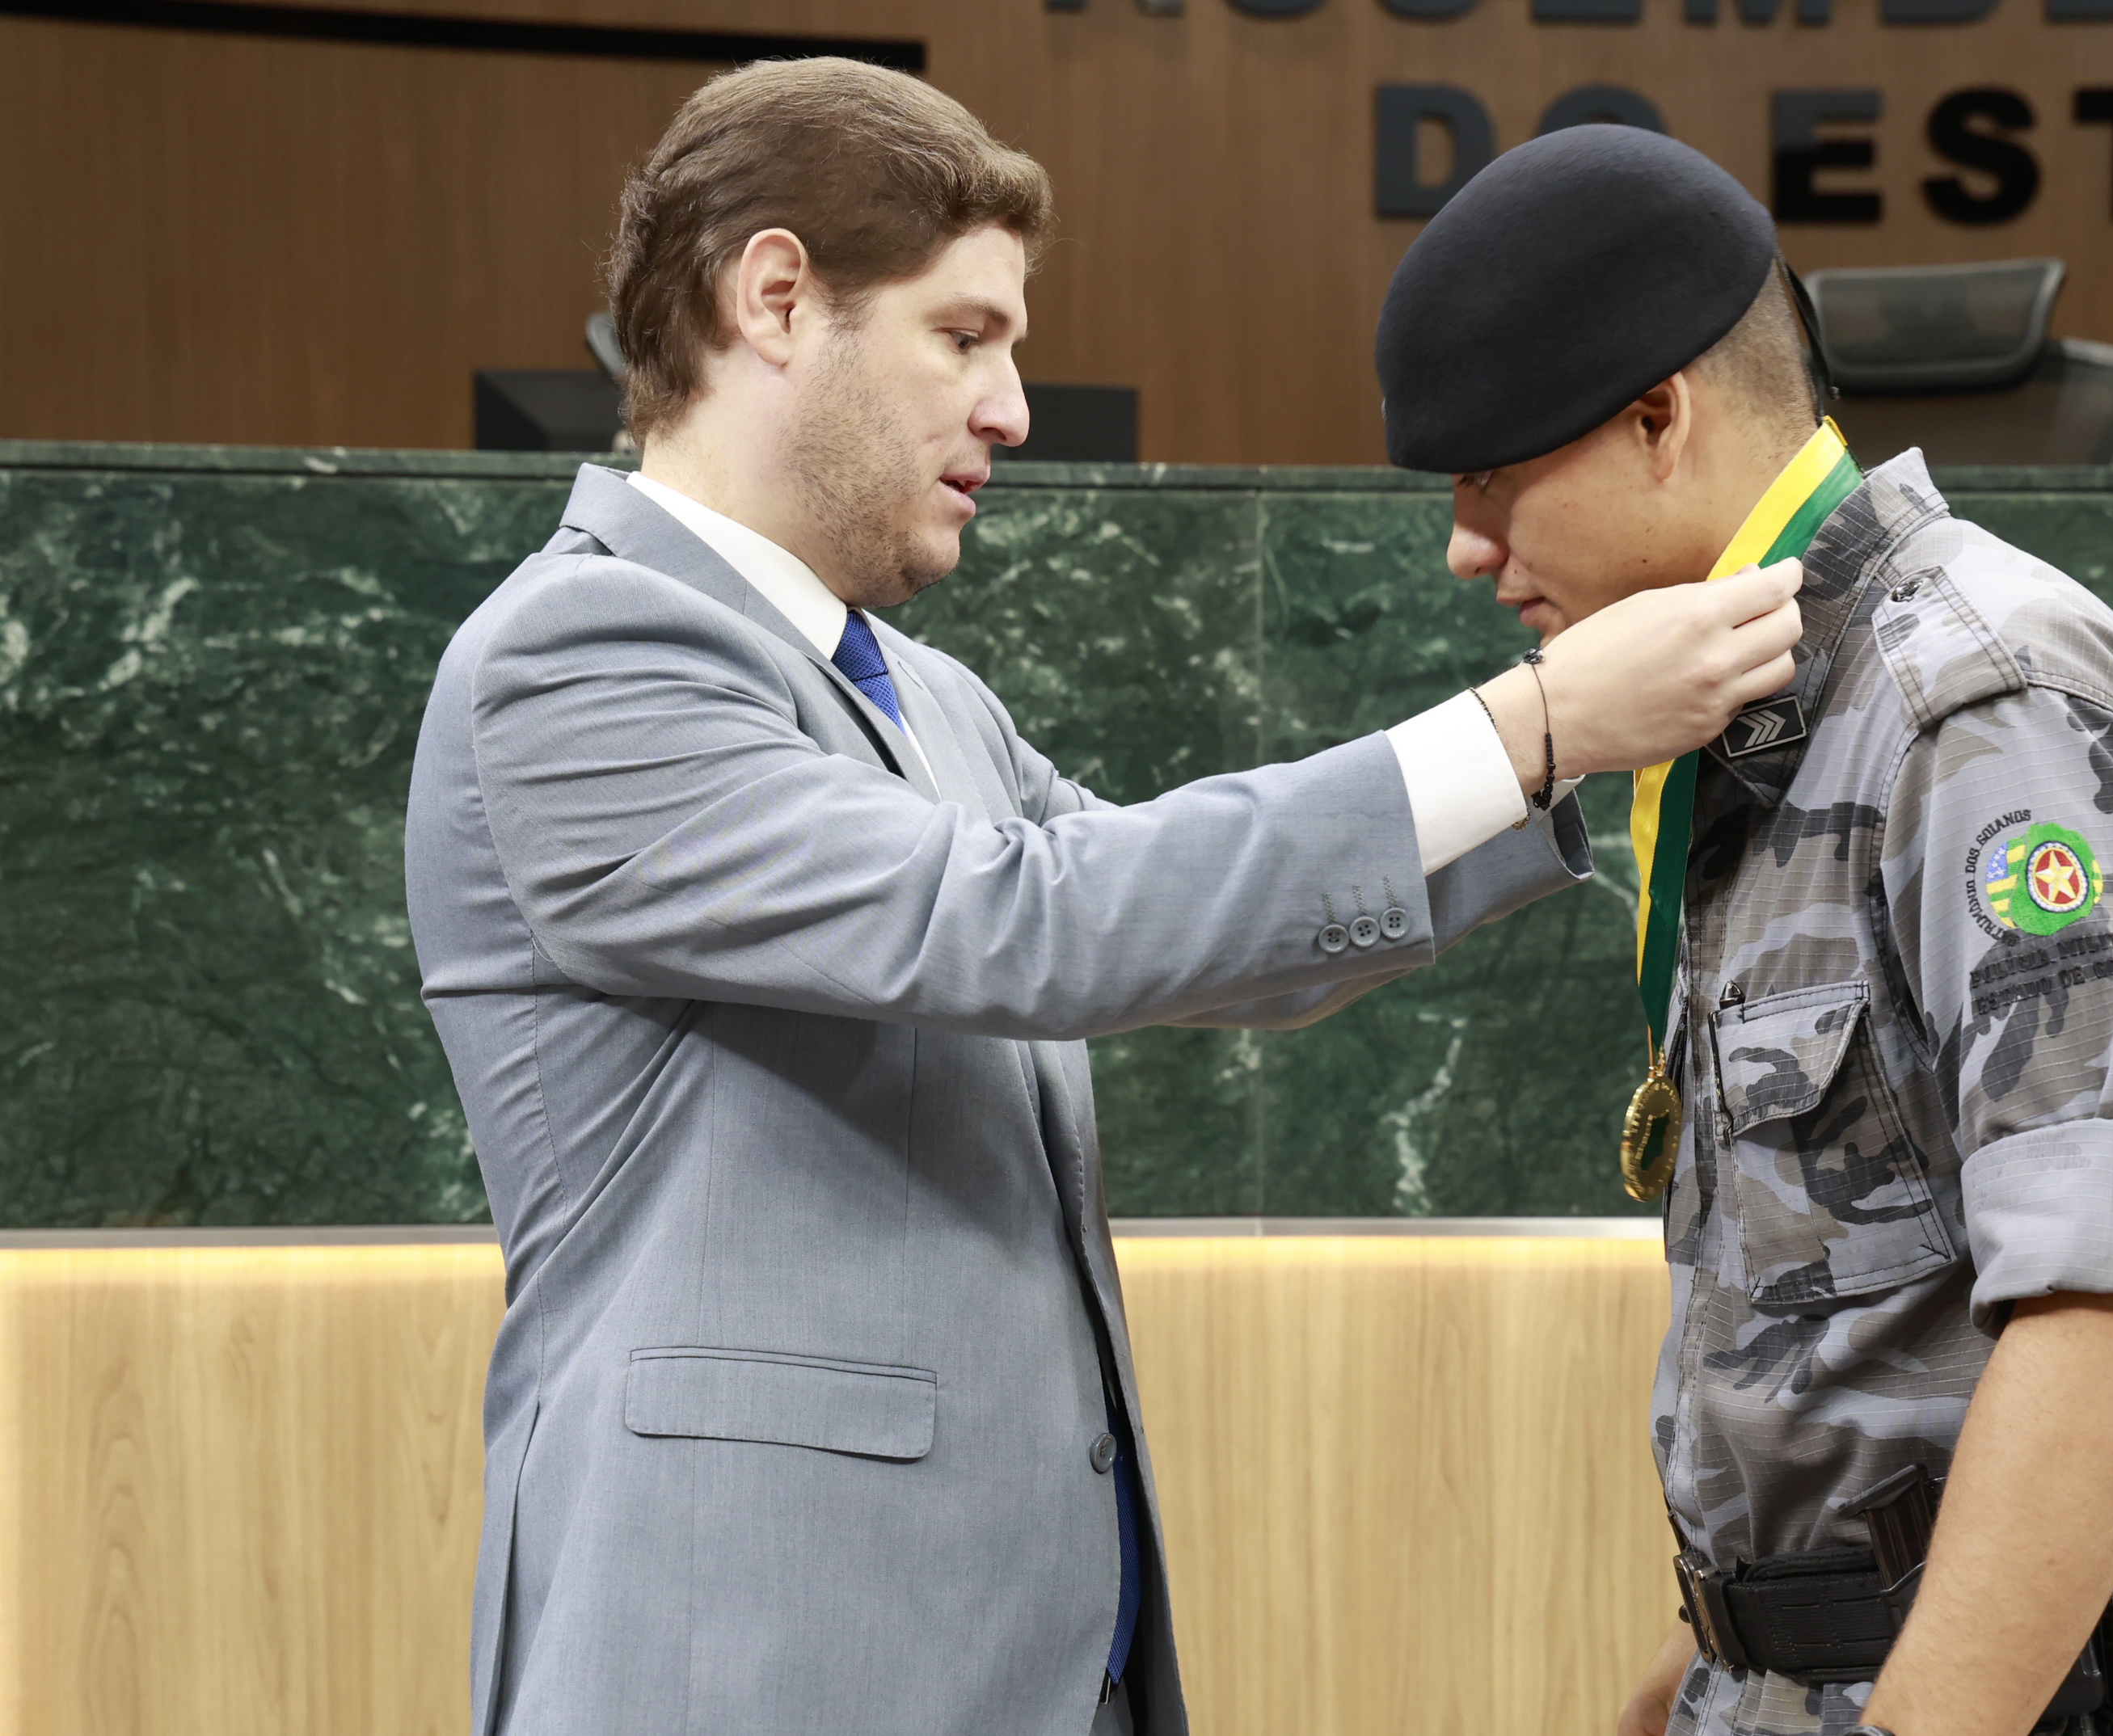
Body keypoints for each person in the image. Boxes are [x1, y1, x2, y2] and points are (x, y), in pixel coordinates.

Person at [403, 61, 1803, 1736]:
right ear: (772, 298)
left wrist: (1544, 771)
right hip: (748, 1661)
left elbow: (1186, 932)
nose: (1011, 408)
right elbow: (1038, 920)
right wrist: (1533, 725)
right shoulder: (578, 654)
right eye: (964, 336)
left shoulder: (921, 693)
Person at [1376, 125, 2113, 1736]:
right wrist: (1708, 1675)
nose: (1465, 545)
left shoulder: (1979, 705)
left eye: (1490, 476)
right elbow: (1860, 1343)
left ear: (1658, 417)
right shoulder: (1778, 718)